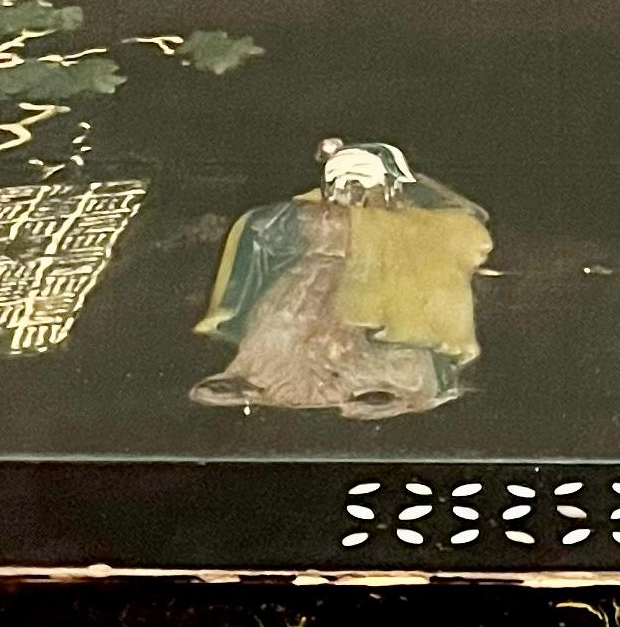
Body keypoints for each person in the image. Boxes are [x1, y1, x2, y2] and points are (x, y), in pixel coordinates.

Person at [193, 140, 491, 418]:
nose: (350, 187)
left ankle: (382, 386)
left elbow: (463, 237)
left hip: (382, 290)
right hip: (311, 287)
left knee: (382, 338)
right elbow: (274, 227)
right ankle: (256, 378)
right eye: (339, 178)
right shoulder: (313, 211)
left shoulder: (416, 220)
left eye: (360, 176)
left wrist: (377, 232)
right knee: (282, 324)